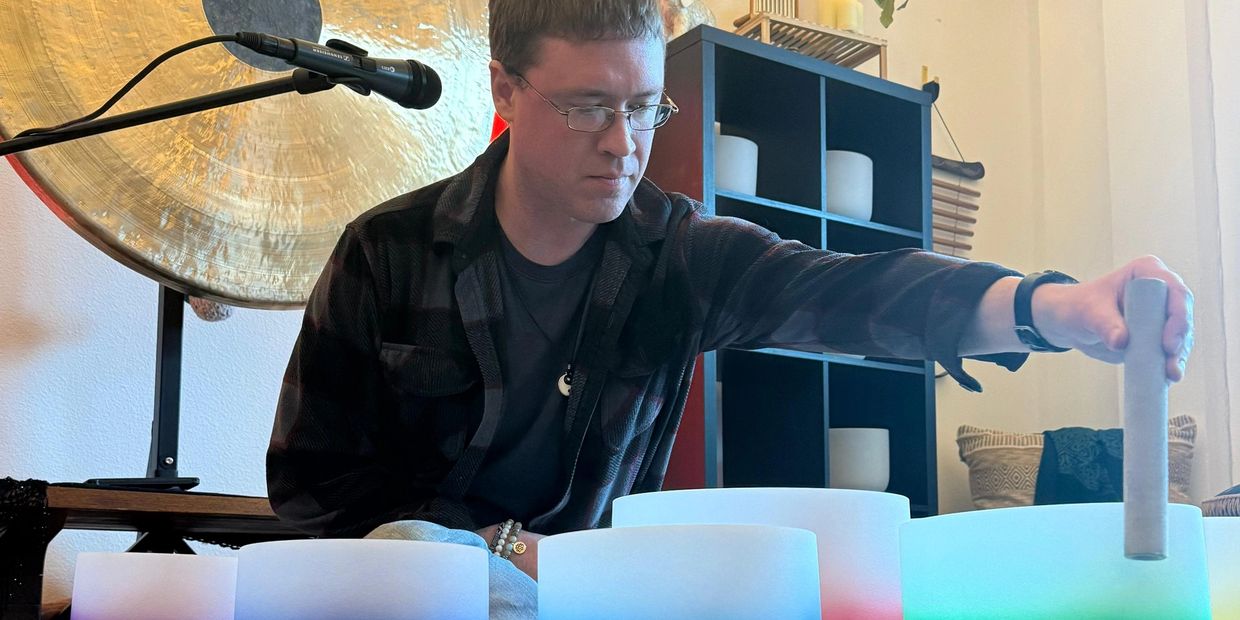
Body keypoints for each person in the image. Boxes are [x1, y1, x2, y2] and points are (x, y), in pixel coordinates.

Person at [267, 0, 1194, 616]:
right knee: (425, 552)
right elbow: (313, 492)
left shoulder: (677, 253)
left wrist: (1054, 307)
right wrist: (499, 551)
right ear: (505, 87)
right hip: (416, 591)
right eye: (589, 107)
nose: (623, 144)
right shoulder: (384, 254)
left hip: (604, 595)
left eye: (644, 108)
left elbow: (849, 292)